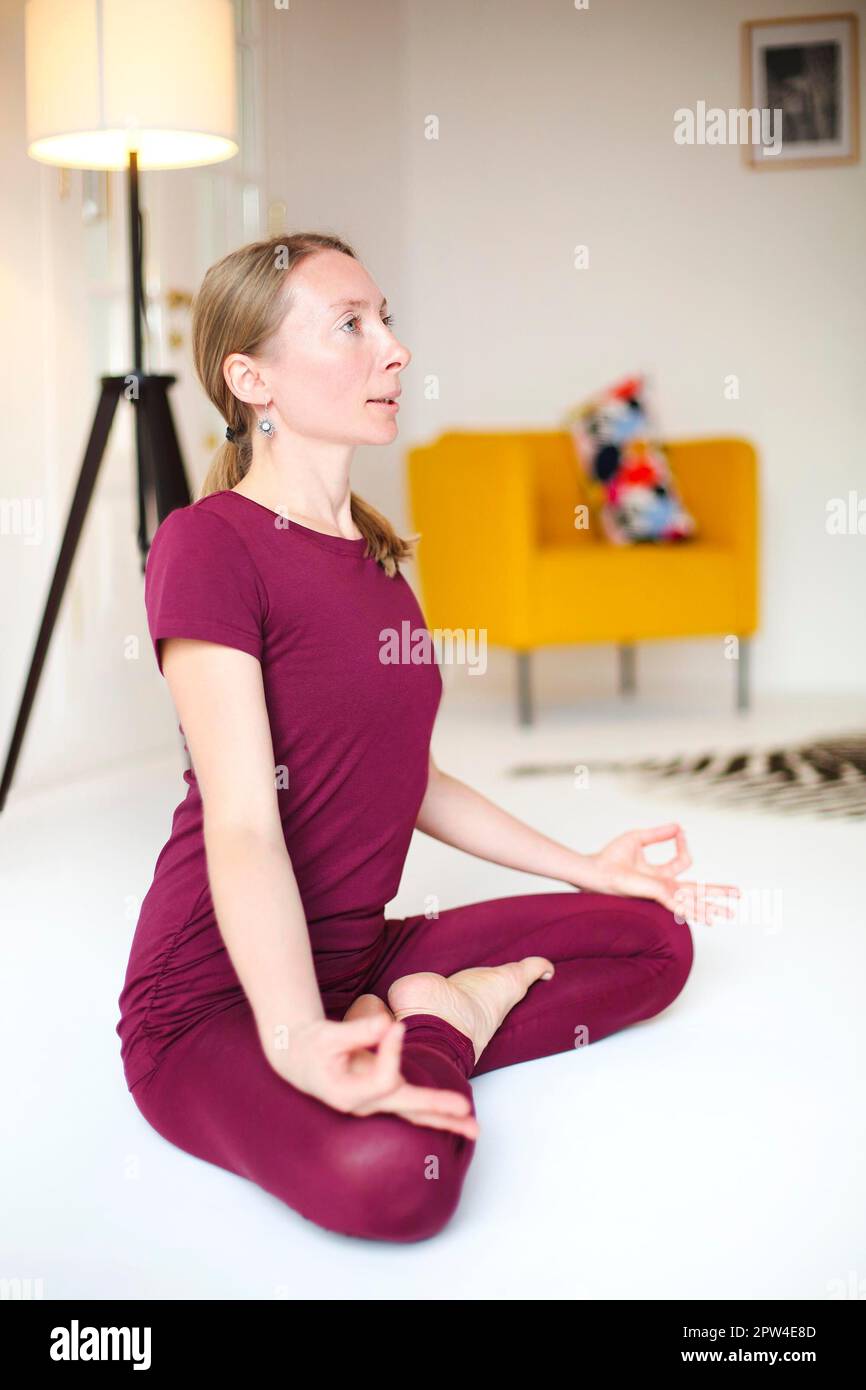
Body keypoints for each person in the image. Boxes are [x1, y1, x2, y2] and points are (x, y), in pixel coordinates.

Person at [116, 231, 738, 1244]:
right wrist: (295, 1039)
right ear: (251, 378)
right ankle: (437, 1019)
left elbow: (411, 781)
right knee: (395, 1178)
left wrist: (584, 866)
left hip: (359, 954)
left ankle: (414, 1011)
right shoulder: (207, 544)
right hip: (214, 998)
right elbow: (239, 822)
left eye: (387, 321)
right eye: (350, 326)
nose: (394, 350)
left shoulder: (376, 561)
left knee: (650, 938)